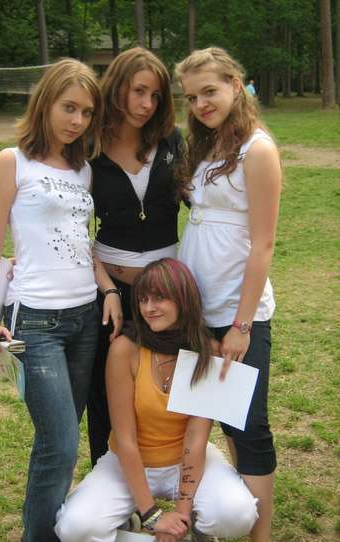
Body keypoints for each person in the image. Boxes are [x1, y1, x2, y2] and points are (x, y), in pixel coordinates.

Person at [0, 59, 123, 542]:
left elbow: (81, 243)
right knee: (60, 444)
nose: (77, 120)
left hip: (84, 319)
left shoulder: (83, 170)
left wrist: (108, 289)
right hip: (34, 322)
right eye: (68, 107)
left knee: (62, 439)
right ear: (45, 103)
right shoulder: (12, 161)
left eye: (86, 112)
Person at [55, 258, 259, 542]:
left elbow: (195, 439)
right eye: (143, 300)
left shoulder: (206, 351)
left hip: (185, 461)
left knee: (237, 515)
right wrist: (152, 515)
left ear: (183, 299)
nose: (149, 308)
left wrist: (181, 516)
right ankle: (134, 524)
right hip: (129, 463)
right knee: (74, 528)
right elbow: (125, 439)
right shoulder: (125, 349)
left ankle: (195, 529)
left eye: (159, 298)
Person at [175, 47, 281, 542]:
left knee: (247, 426)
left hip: (237, 314)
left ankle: (260, 536)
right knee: (208, 419)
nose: (201, 104)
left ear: (236, 86)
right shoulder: (206, 146)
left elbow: (263, 245)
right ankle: (223, 514)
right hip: (197, 309)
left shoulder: (257, 149)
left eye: (210, 91)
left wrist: (242, 325)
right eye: (192, 97)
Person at [87, 47, 185, 465]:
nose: (147, 104)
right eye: (139, 91)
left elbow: (203, 201)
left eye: (156, 95)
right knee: (104, 392)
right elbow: (71, 229)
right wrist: (107, 289)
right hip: (109, 293)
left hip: (167, 293)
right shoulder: (89, 145)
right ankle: (107, 477)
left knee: (169, 387)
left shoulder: (171, 140)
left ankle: (177, 478)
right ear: (117, 88)